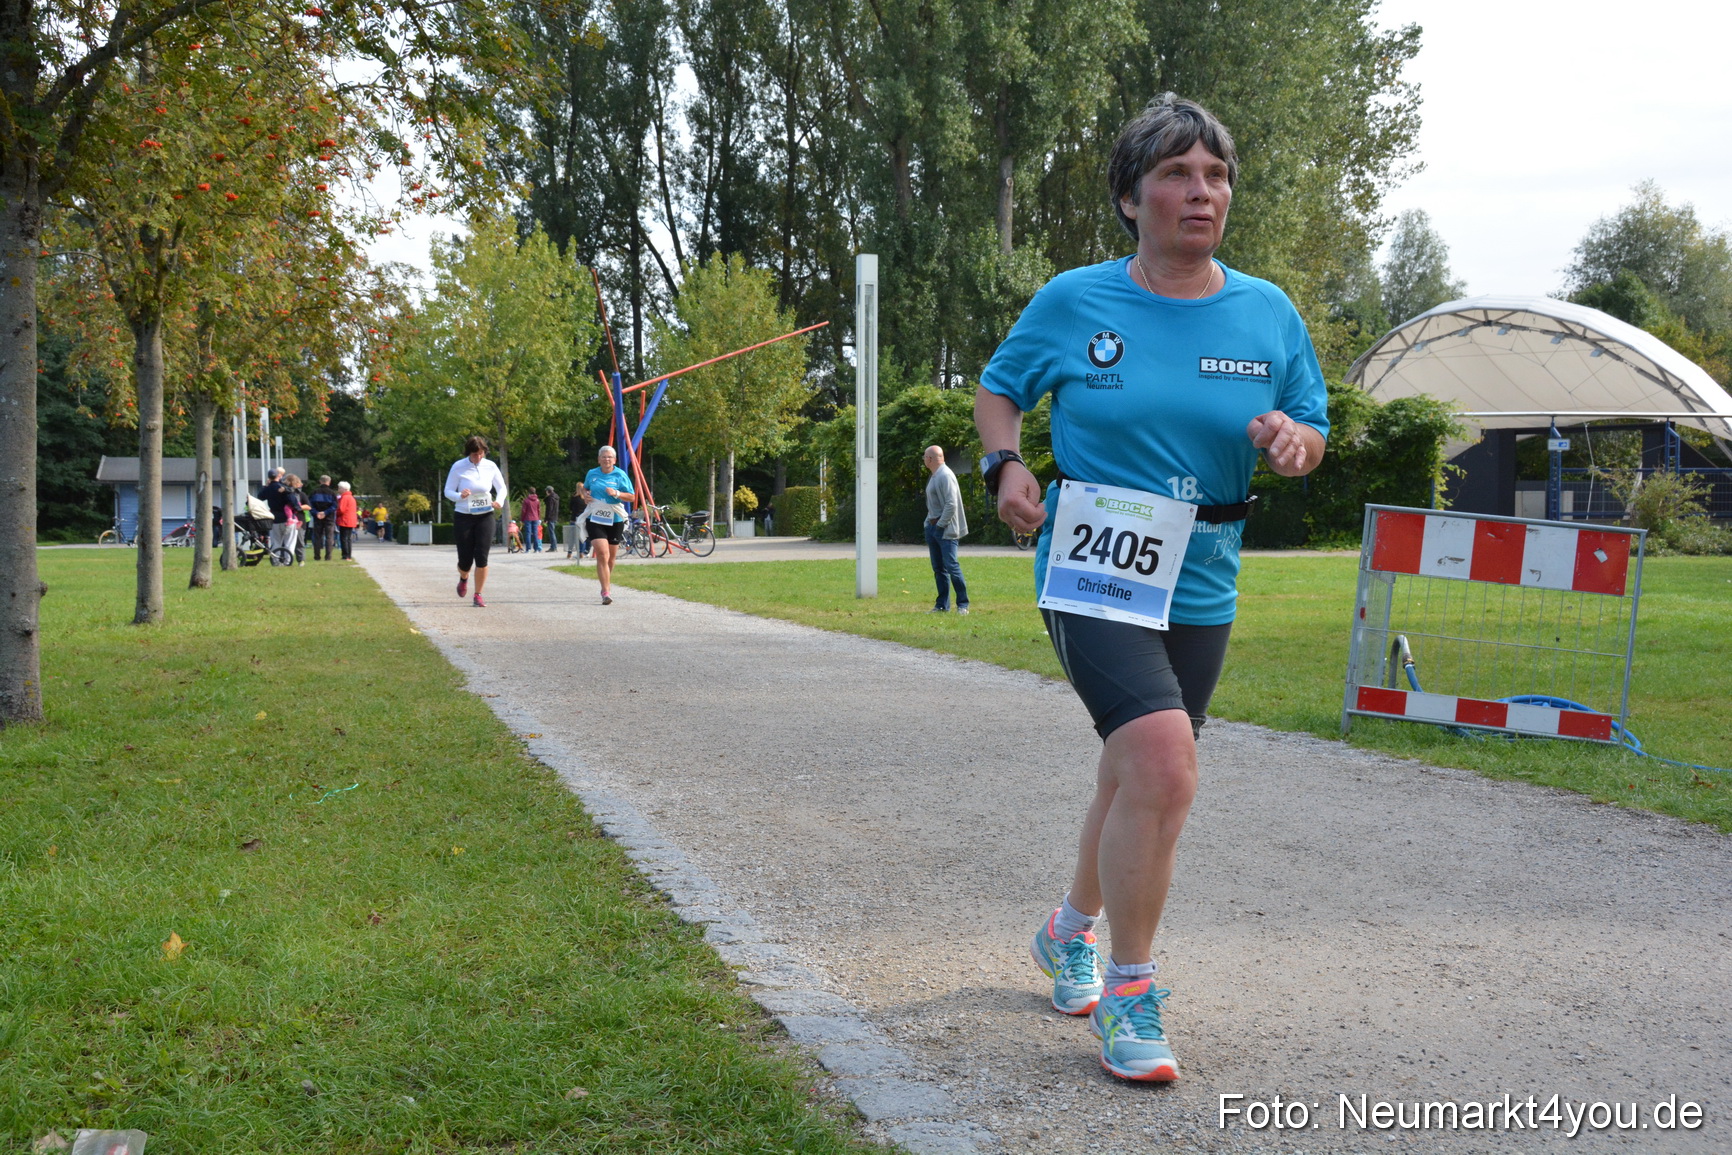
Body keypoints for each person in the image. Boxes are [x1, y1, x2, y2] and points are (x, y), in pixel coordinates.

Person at [974, 94, 1328, 1083]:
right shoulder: (1076, 302)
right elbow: (1000, 388)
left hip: (1204, 572)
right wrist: (1005, 467)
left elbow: (1308, 418)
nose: (1199, 191)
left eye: (1214, 174)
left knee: (1136, 777)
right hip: (1092, 562)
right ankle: (1130, 995)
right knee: (1165, 766)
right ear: (1131, 198)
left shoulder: (1265, 311)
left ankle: (1067, 932)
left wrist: (1296, 445)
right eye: (1175, 173)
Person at [443, 434, 507, 607]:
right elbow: (448, 491)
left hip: (485, 515)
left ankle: (478, 594)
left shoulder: (490, 466)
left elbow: (502, 488)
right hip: (463, 515)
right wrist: (459, 495)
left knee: (482, 556)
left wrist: (499, 502)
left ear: (484, 452)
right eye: (474, 455)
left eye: (480, 454)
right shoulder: (458, 467)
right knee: (465, 560)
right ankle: (464, 577)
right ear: (468, 453)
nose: (477, 458)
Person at [579, 445, 635, 605]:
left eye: (609, 457)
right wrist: (585, 495)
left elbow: (631, 497)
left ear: (614, 460)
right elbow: (585, 489)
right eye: (603, 457)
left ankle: (606, 583)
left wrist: (617, 493)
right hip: (596, 518)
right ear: (599, 459)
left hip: (615, 518)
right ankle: (605, 592)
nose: (606, 459)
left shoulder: (620, 475)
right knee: (602, 554)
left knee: (611, 558)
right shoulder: (592, 473)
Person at [922, 445, 970, 615]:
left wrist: (940, 525)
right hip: (934, 526)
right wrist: (928, 523)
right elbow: (933, 505)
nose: (923, 460)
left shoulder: (945, 475)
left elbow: (951, 504)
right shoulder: (935, 475)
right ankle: (942, 605)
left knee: (951, 566)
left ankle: (963, 605)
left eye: (924, 457)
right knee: (939, 568)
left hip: (945, 529)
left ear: (930, 459)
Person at [259, 468, 295, 566]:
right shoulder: (283, 487)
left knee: (276, 542)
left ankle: (276, 561)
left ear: (269, 477)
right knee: (289, 542)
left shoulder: (268, 489)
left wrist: (265, 486)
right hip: (287, 518)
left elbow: (260, 497)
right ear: (279, 476)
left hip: (274, 518)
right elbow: (293, 500)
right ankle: (287, 561)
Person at [308, 475, 338, 561]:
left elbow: (310, 505)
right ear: (329, 482)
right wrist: (325, 512)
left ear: (320, 481)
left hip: (317, 517)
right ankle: (328, 556)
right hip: (329, 517)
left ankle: (317, 556)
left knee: (317, 536)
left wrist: (316, 513)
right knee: (329, 537)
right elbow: (335, 506)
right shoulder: (332, 493)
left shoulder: (314, 492)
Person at [335, 481, 359, 560]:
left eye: (339, 488)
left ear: (344, 489)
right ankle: (349, 555)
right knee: (348, 538)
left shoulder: (344, 497)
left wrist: (336, 513)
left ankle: (345, 555)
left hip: (344, 520)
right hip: (351, 520)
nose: (338, 490)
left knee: (344, 538)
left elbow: (341, 509)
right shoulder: (351, 497)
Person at [521, 487, 543, 553]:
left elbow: (524, 511)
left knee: (528, 533)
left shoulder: (526, 500)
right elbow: (539, 510)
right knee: (535, 533)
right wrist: (539, 518)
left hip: (528, 518)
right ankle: (536, 549)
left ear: (529, 492)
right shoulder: (537, 500)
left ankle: (528, 549)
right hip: (536, 518)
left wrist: (522, 519)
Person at [543, 486, 561, 555]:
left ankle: (553, 547)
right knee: (552, 532)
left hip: (551, 517)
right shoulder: (556, 497)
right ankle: (554, 546)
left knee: (551, 533)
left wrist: (546, 519)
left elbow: (549, 509)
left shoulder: (550, 498)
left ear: (548, 491)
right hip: (555, 516)